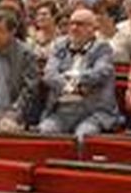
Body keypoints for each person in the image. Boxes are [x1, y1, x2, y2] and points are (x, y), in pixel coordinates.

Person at [38, 8, 122, 139]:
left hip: (92, 112)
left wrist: (72, 76)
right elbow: (49, 74)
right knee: (45, 132)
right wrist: (68, 86)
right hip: (61, 111)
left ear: (92, 28)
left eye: (80, 24)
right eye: (72, 23)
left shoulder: (103, 48)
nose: (74, 28)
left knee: (84, 136)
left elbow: (99, 73)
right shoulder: (59, 46)